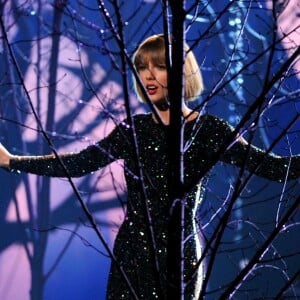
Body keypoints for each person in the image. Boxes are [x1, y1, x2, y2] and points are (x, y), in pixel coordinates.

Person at [0, 34, 299, 300]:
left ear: (181, 72)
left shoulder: (208, 131)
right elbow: (79, 163)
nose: (148, 75)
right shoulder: (134, 130)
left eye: (159, 66)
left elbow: (274, 168)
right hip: (131, 257)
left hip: (179, 257)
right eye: (142, 67)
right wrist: (12, 161)